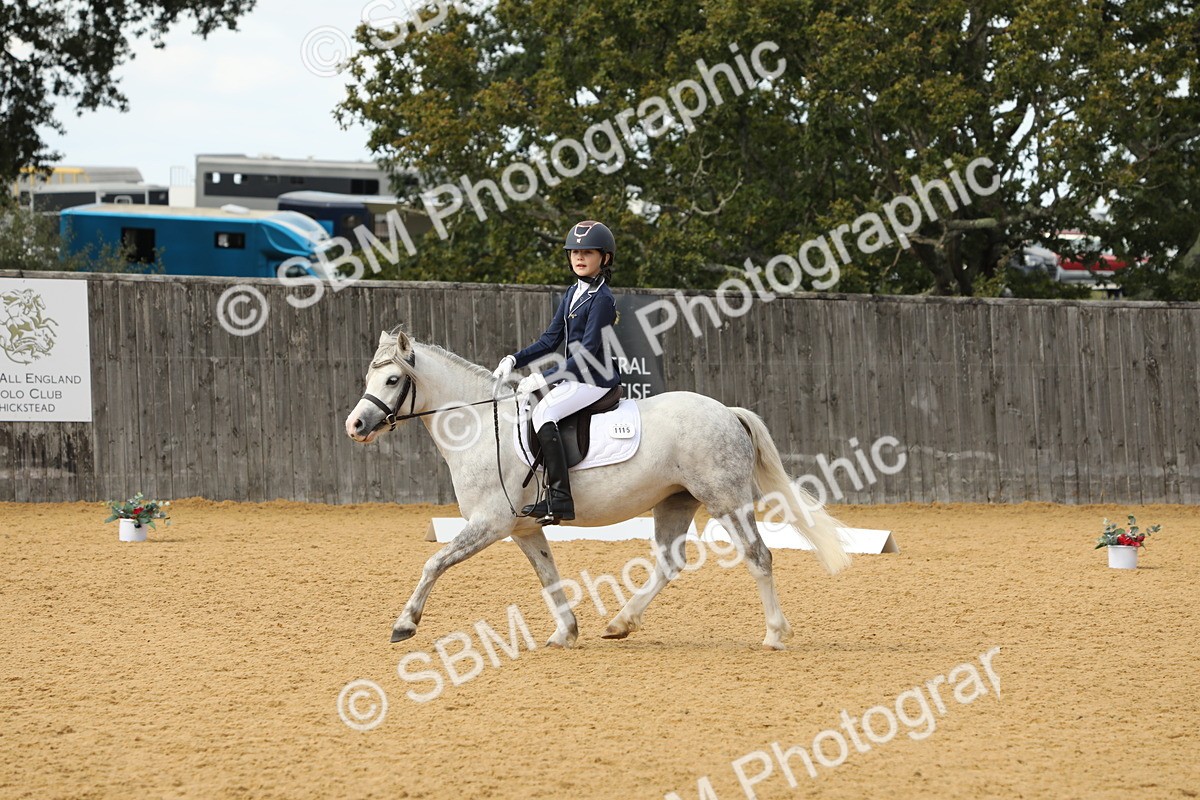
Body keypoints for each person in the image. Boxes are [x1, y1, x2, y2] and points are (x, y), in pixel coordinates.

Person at [492, 220, 621, 524]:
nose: (579, 257)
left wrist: (545, 378)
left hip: (595, 378)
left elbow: (588, 353)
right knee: (529, 406)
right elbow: (550, 340)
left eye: (587, 252)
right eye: (574, 252)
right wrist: (514, 359)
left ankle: (561, 498)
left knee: (543, 413)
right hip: (577, 375)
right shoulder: (572, 292)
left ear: (604, 258)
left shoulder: (602, 299)